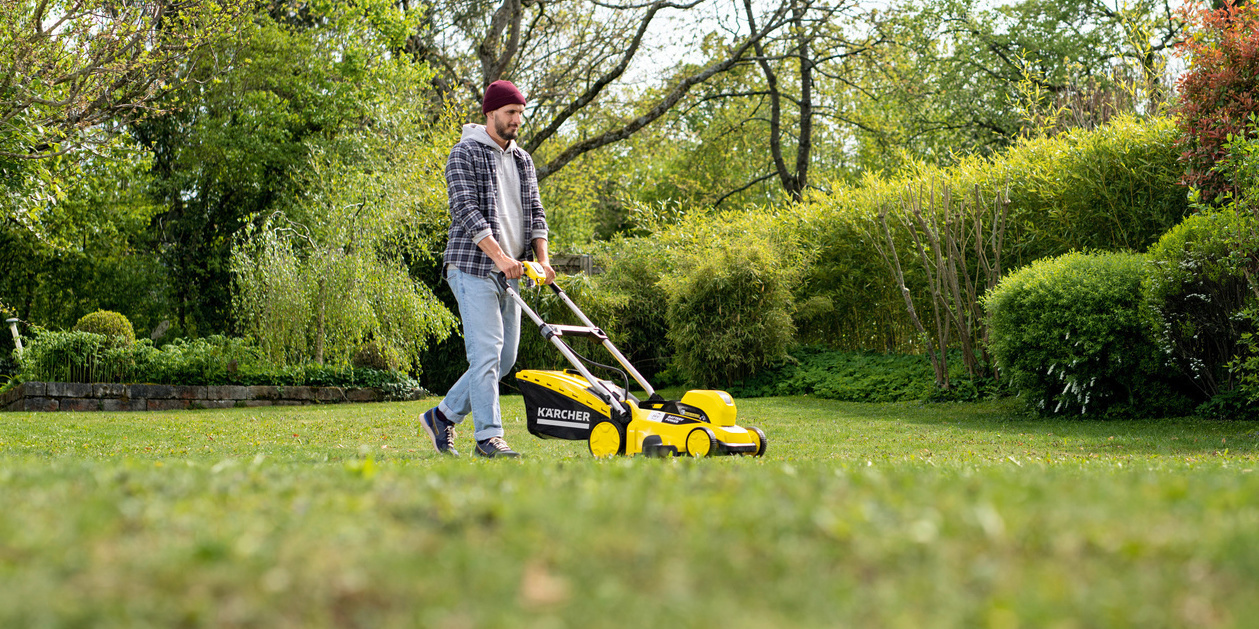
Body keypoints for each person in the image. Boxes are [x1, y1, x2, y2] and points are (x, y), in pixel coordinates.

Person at [420, 80, 556, 458]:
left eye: (520, 114)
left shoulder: (523, 159)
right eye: (510, 113)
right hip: (472, 267)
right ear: (490, 112)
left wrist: (541, 260)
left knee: (505, 359)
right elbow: (465, 210)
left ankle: (442, 416)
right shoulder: (463, 153)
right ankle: (488, 438)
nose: (516, 120)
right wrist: (500, 258)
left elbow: (536, 212)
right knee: (486, 354)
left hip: (512, 273)